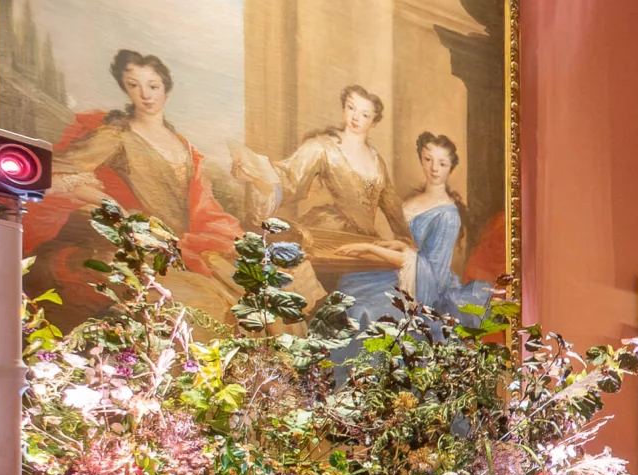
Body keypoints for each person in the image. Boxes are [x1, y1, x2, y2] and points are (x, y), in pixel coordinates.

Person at [27, 49, 248, 323]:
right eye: (134, 86)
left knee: (250, 293)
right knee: (193, 303)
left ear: (166, 90)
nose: (145, 95)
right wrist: (111, 204)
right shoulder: (117, 135)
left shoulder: (184, 145)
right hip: (142, 244)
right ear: (126, 90)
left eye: (153, 86)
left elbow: (202, 204)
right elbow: (55, 170)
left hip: (181, 245)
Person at [240, 84, 415, 326]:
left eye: (365, 114)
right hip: (326, 235)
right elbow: (289, 176)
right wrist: (259, 177)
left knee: (378, 301)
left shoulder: (376, 160)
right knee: (322, 307)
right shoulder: (323, 147)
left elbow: (392, 204)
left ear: (374, 121)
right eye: (351, 108)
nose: (356, 117)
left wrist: (412, 243)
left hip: (363, 242)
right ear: (344, 108)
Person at [398, 132, 497, 325]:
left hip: (429, 287)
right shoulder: (408, 202)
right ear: (421, 159)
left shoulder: (448, 214)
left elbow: (436, 275)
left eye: (442, 164)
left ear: (451, 167)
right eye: (428, 160)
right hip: (402, 274)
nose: (434, 168)